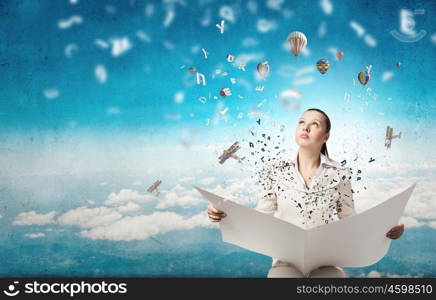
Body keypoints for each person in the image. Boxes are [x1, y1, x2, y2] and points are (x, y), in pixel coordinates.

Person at [207, 108, 405, 278]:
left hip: (328, 262)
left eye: (314, 124)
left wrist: (385, 230)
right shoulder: (274, 170)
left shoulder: (340, 174)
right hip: (285, 263)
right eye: (301, 122)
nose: (305, 127)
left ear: (326, 136)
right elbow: (261, 215)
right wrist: (224, 214)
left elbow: (349, 218)